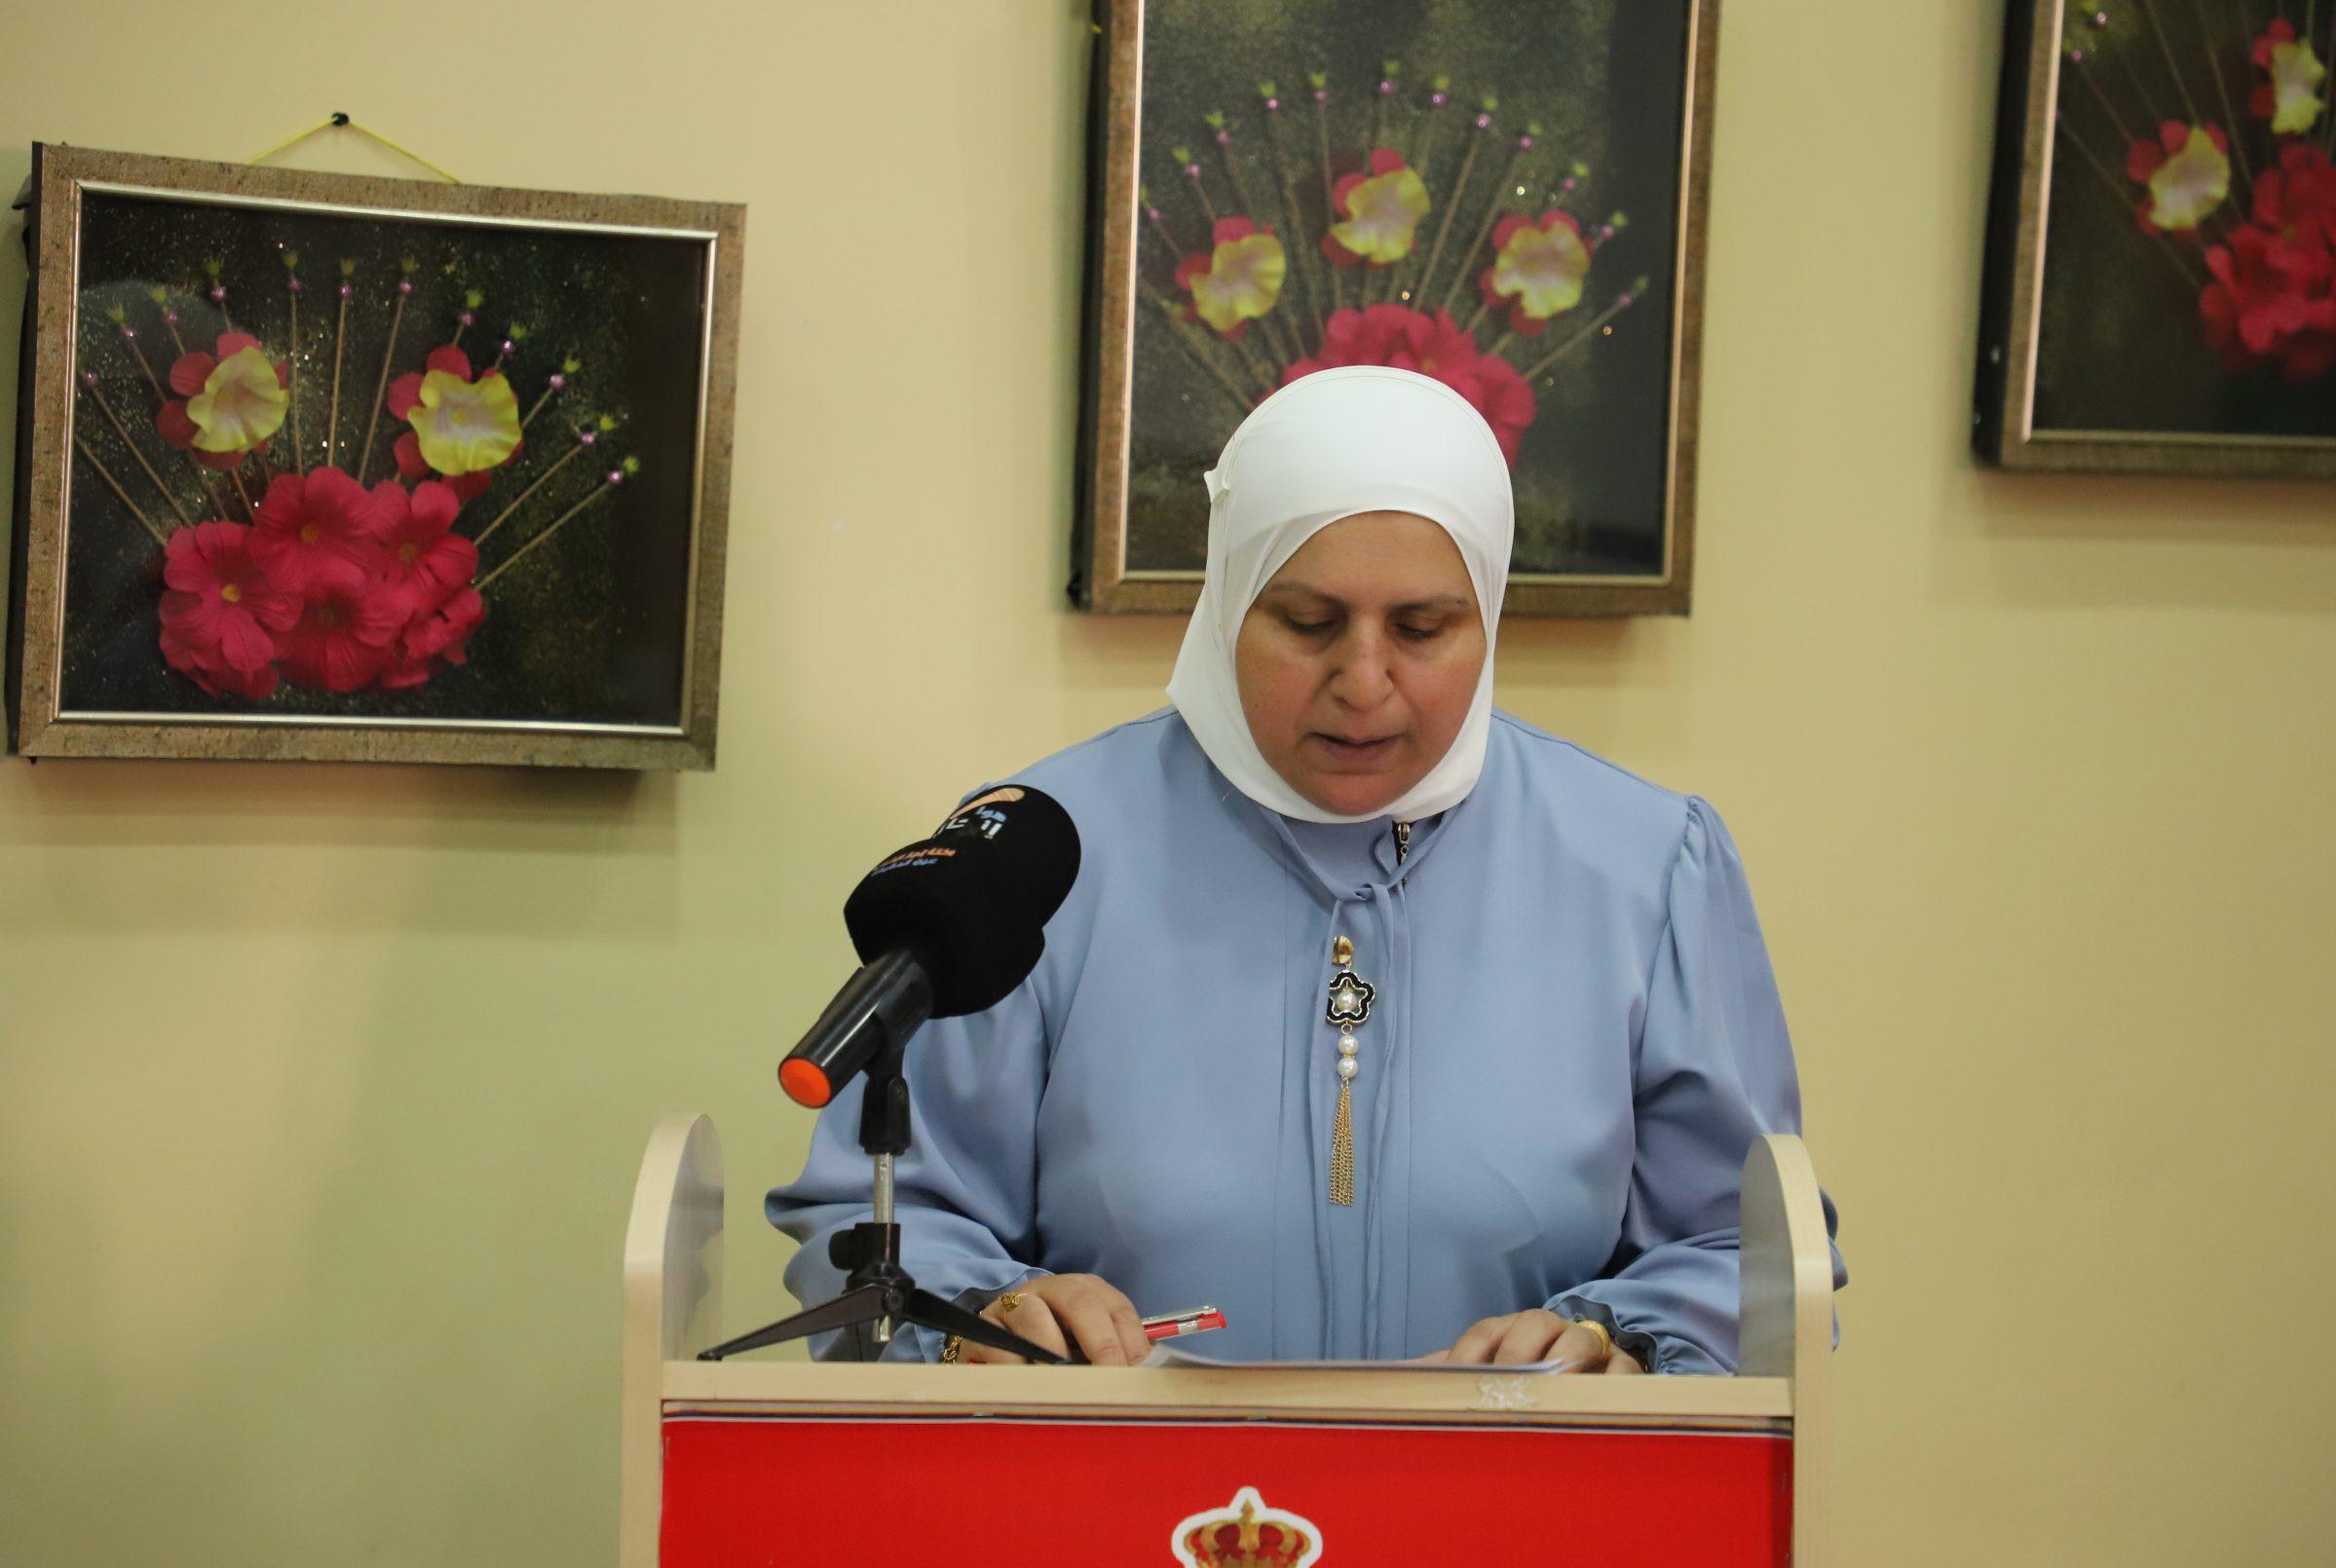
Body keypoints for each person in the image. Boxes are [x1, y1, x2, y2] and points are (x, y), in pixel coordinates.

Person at [768, 365, 1840, 1373]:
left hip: (1518, 1489)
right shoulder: (1043, 852)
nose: (1363, 681)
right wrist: (983, 1321)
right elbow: (882, 1220)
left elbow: (1746, 1252)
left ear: (1488, 615)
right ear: (1227, 601)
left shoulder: (1643, 867)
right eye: (1308, 622)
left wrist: (1623, 1344)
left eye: (1422, 626)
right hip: (1120, 1496)